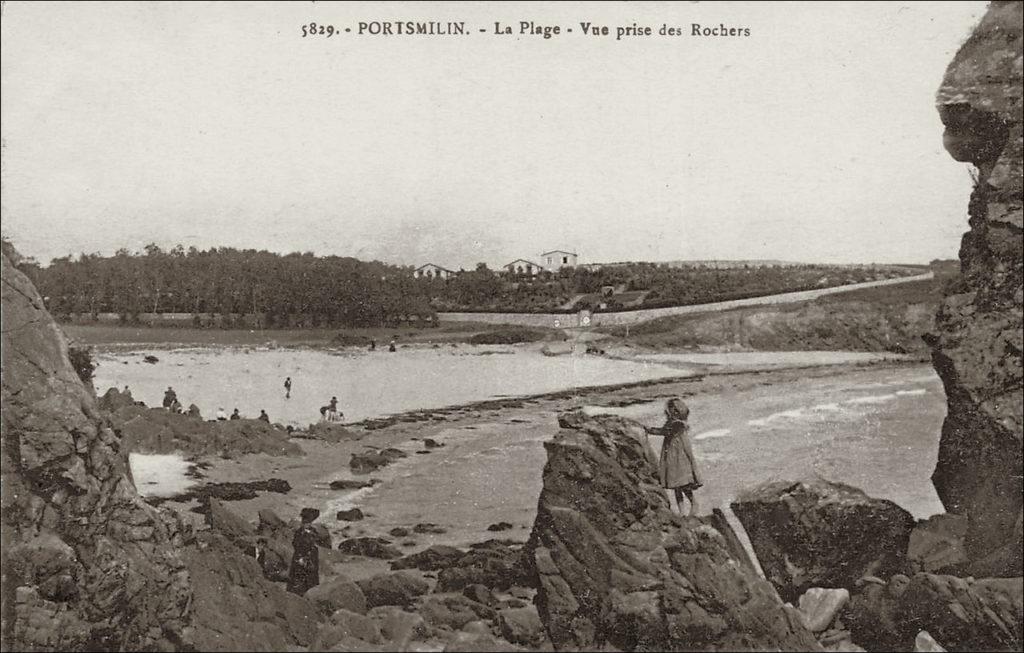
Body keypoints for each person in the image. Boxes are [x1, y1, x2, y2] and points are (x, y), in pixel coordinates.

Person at [644, 398, 703, 517]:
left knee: (681, 484)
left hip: (678, 458)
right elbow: (664, 431)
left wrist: (649, 430)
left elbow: (664, 432)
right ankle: (683, 511)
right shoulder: (674, 423)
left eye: (669, 409)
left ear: (674, 411)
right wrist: (649, 430)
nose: (666, 412)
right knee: (677, 485)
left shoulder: (677, 424)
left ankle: (693, 504)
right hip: (673, 457)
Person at [287, 508, 321, 595]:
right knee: (299, 579)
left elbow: (315, 541)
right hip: (301, 556)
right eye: (305, 522)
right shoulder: (299, 532)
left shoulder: (313, 531)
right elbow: (295, 544)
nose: (306, 524)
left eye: (308, 522)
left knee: (311, 578)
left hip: (310, 557)